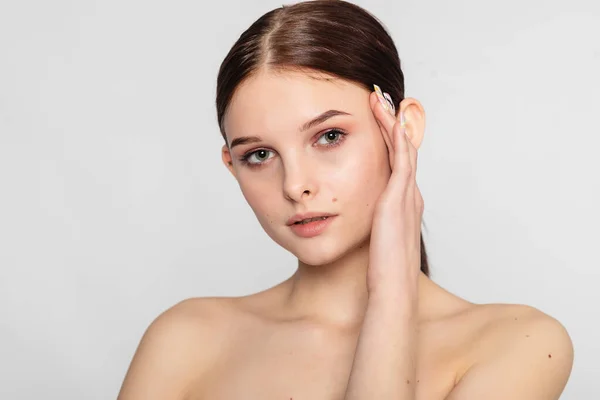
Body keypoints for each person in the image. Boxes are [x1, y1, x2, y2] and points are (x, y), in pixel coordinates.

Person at [117, 1, 574, 399]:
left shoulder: (519, 345)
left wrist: (393, 289)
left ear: (403, 128)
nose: (295, 185)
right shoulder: (185, 340)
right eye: (259, 155)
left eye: (329, 136)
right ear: (231, 165)